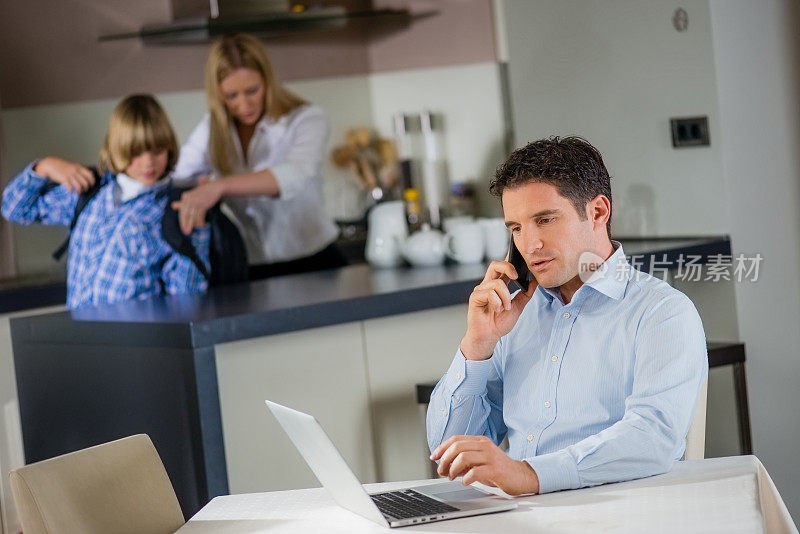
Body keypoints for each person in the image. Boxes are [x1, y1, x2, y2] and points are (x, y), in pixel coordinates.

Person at [426, 137, 707, 495]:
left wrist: (530, 475)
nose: (529, 246)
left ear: (598, 212)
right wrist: (477, 347)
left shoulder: (662, 313)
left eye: (544, 220)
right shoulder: (512, 315)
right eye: (516, 227)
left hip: (615, 514)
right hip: (517, 515)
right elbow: (447, 453)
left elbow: (652, 437)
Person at [1, 95, 210, 309]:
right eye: (136, 152)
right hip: (80, 336)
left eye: (157, 151)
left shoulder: (173, 209)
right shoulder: (89, 193)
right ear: (118, 149)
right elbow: (14, 209)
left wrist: (198, 232)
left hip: (136, 338)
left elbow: (188, 299)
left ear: (170, 148)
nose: (148, 162)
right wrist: (44, 167)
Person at [172, 32, 344, 279]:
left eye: (252, 91)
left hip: (315, 263)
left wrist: (219, 187)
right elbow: (178, 177)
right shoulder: (212, 128)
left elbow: (294, 175)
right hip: (253, 269)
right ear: (218, 94)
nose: (244, 105)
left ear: (268, 81)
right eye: (231, 96)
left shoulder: (306, 119)